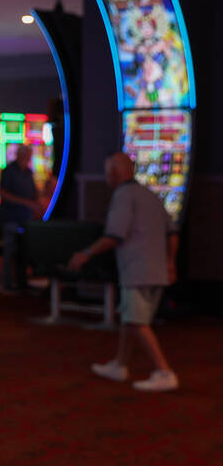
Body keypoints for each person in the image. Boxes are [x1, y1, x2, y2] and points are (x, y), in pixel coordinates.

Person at [68, 153, 179, 392]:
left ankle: (164, 371)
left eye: (108, 172)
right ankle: (120, 364)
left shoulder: (123, 196)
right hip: (157, 269)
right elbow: (172, 232)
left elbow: (115, 235)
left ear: (114, 174)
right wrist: (171, 263)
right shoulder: (151, 195)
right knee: (130, 319)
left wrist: (86, 252)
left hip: (136, 269)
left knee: (137, 322)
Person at [0, 143, 43, 291]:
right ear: (18, 155)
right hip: (11, 216)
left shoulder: (28, 172)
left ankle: (22, 281)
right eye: (25, 155)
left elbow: (34, 192)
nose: (28, 158)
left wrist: (37, 202)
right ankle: (7, 283)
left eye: (29, 156)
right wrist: (27, 203)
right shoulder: (9, 171)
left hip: (26, 218)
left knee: (23, 250)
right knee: (10, 250)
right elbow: (3, 194)